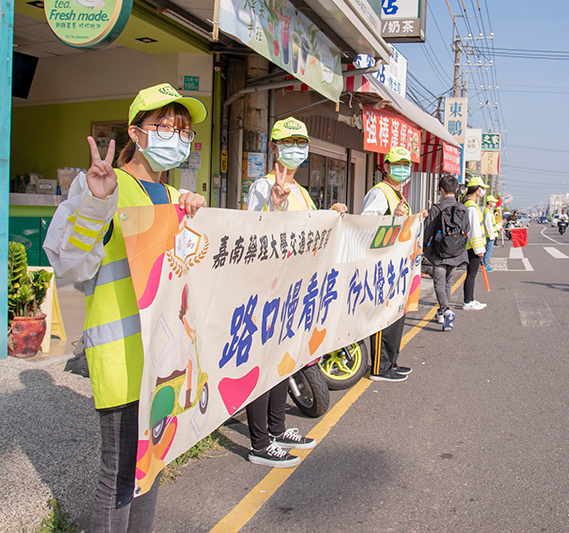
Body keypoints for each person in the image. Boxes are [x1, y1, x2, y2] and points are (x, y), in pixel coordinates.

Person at [43, 83, 207, 533]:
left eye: (184, 130)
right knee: (118, 477)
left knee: (151, 468)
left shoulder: (176, 199)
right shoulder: (103, 186)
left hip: (165, 362)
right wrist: (97, 203)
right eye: (165, 127)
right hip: (122, 357)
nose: (177, 137)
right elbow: (71, 263)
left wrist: (198, 216)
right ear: (136, 132)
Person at [244, 117, 346, 467]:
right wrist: (273, 204)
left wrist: (331, 216)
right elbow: (253, 234)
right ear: (273, 147)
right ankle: (259, 442)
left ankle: (277, 427)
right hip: (268, 291)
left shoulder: (302, 191)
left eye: (301, 141)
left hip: (294, 291)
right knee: (264, 365)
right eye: (288, 141)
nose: (296, 147)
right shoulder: (263, 185)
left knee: (282, 363)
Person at [362, 146, 426, 381]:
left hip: (399, 268)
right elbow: (367, 225)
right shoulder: (380, 192)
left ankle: (391, 362)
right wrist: (392, 219)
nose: (401, 169)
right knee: (384, 317)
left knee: (397, 316)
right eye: (396, 164)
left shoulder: (399, 195)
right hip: (383, 267)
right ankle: (380, 367)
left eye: (406, 165)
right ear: (386, 167)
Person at [424, 174, 468, 332]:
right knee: (448, 283)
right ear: (456, 190)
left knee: (439, 283)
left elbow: (427, 231)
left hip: (439, 253)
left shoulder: (436, 208)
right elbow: (467, 229)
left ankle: (446, 311)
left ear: (441, 190)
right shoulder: (463, 208)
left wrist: (423, 248)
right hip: (456, 253)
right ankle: (442, 313)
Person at [461, 175, 489, 310]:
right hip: (473, 247)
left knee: (471, 274)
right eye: (482, 188)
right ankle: (467, 302)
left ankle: (470, 299)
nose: (483, 191)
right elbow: (474, 231)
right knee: (471, 274)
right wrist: (479, 250)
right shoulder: (471, 206)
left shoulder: (470, 204)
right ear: (477, 190)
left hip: (472, 246)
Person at [482, 194, 499, 271]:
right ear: (489, 202)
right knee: (489, 250)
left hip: (490, 234)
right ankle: (485, 264)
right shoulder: (488, 212)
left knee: (488, 249)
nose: (494, 203)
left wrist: (499, 228)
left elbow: (493, 224)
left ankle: (484, 263)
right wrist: (491, 236)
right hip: (489, 235)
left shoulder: (489, 211)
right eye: (492, 201)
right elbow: (488, 225)